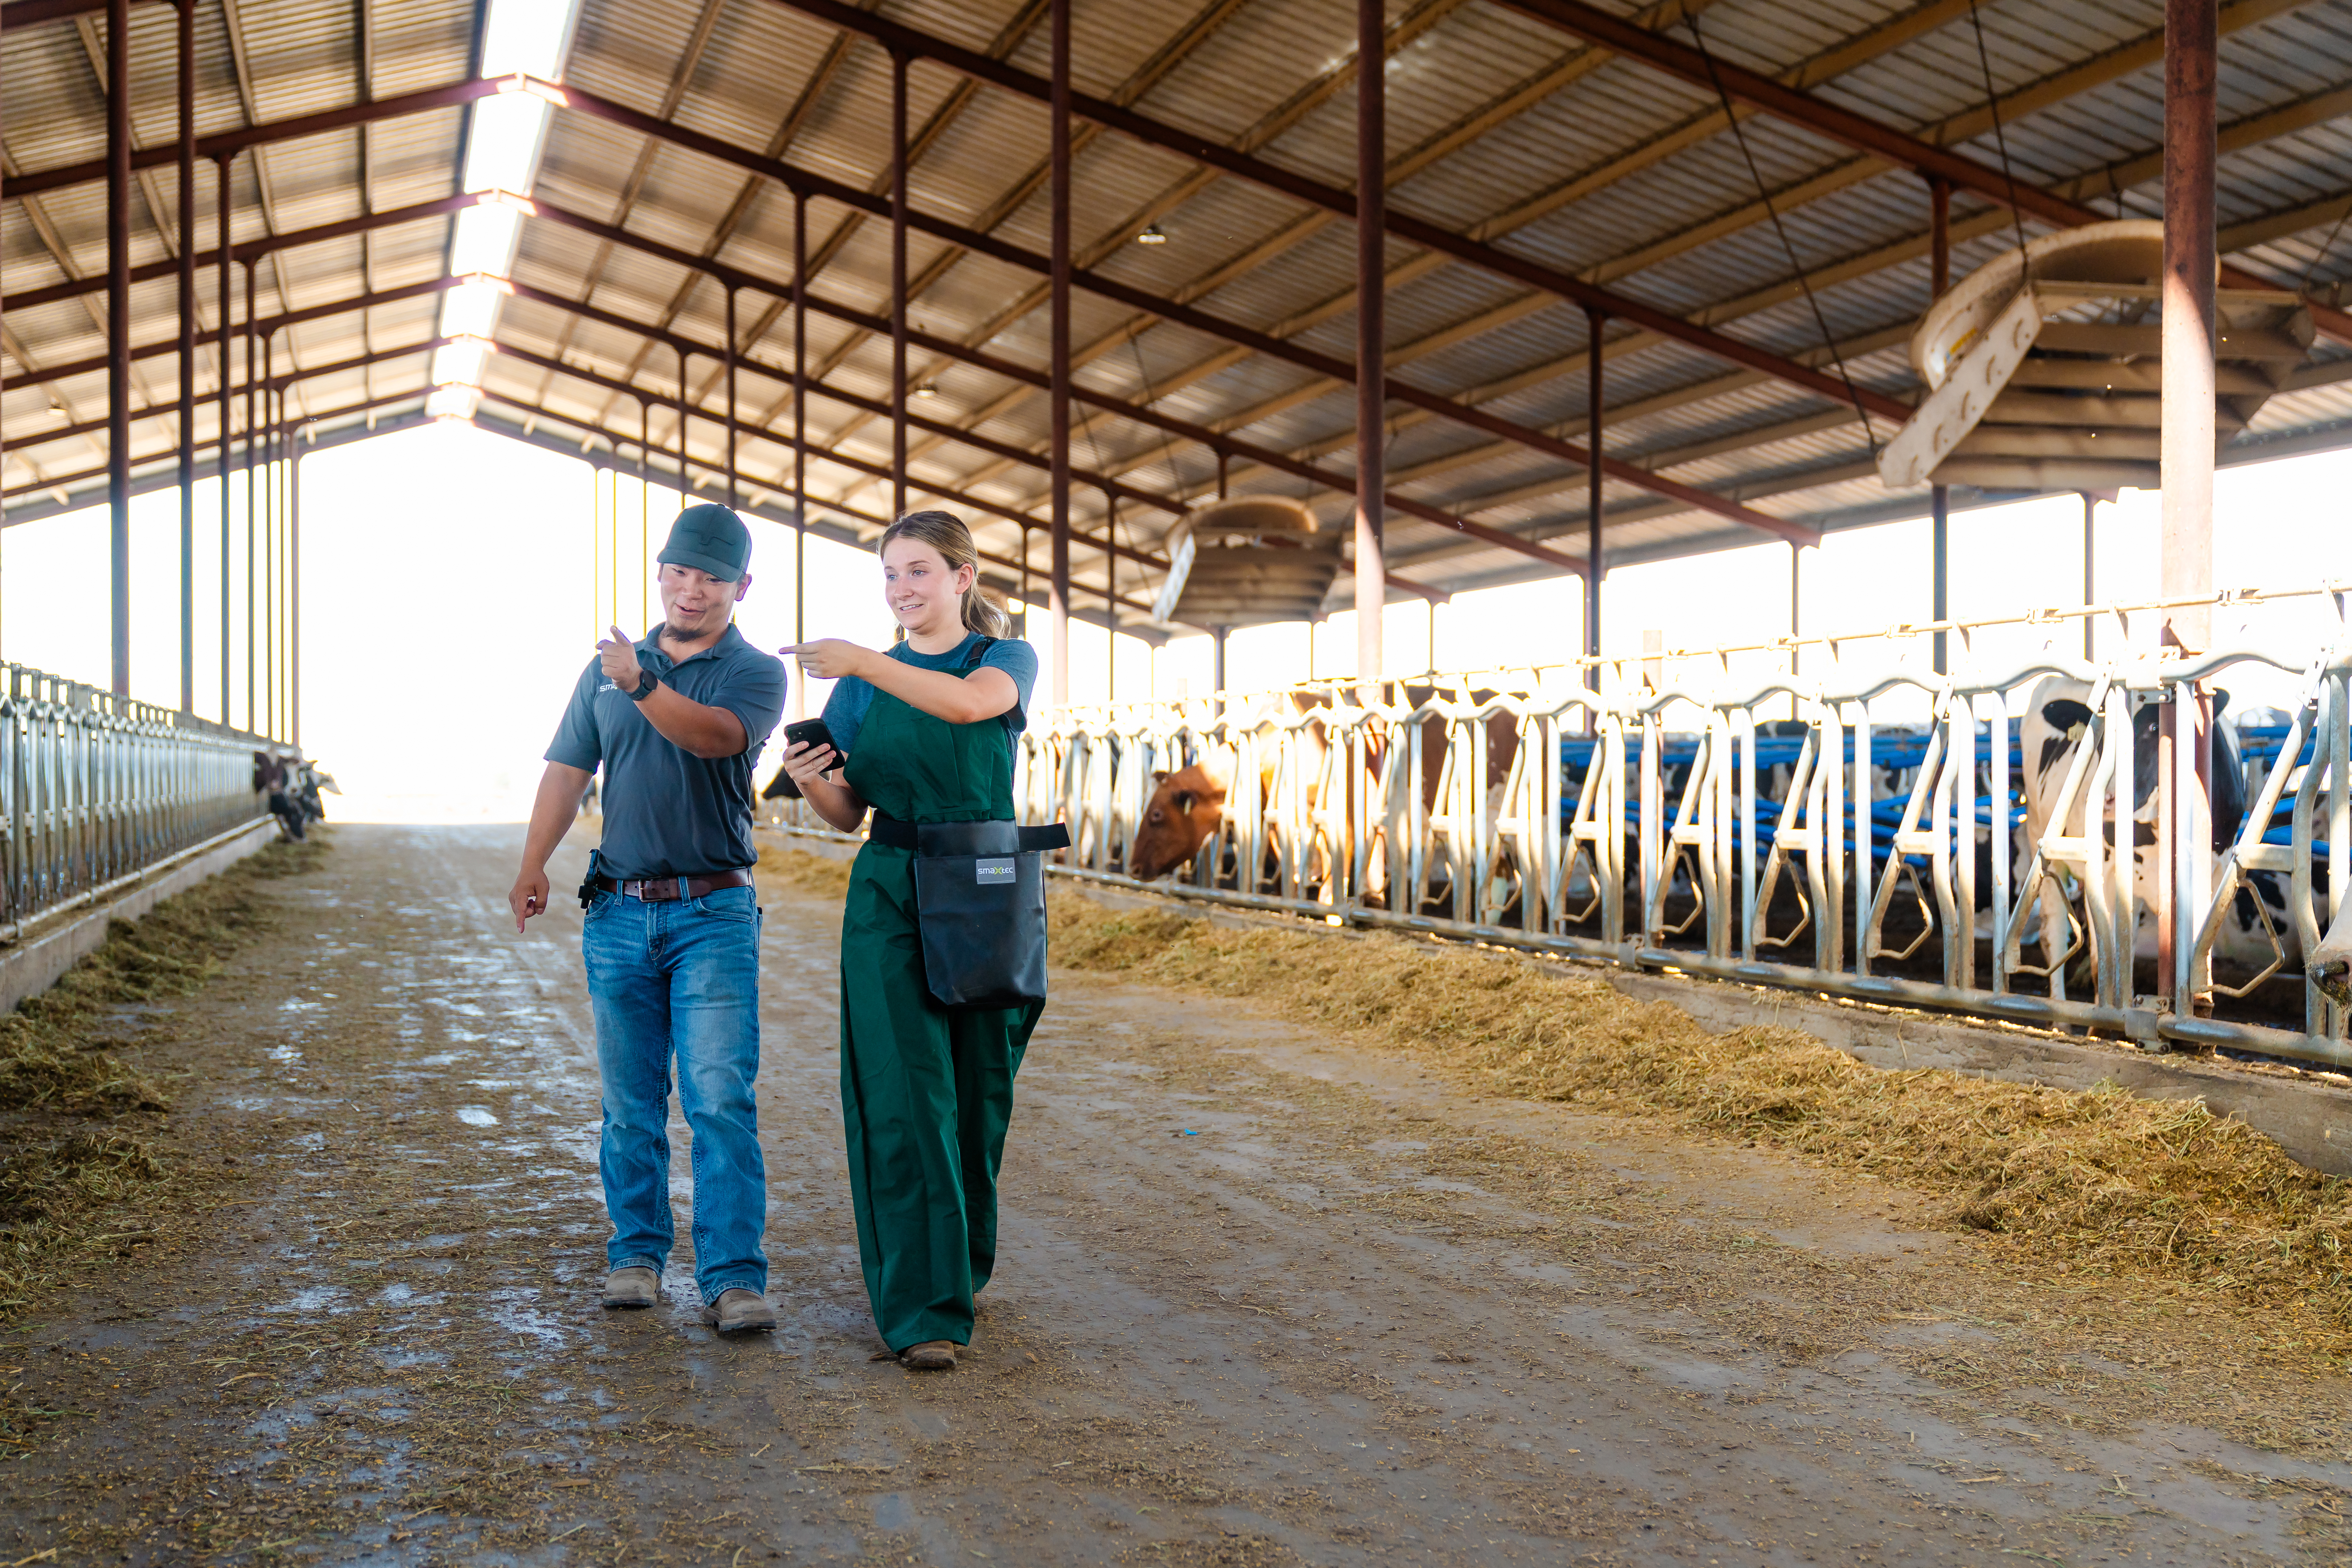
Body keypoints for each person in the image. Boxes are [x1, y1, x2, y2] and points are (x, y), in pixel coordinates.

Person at [508, 503, 788, 1335]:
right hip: (619, 910)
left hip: (713, 910)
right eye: (679, 572)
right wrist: (533, 862)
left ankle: (732, 1276)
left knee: (718, 1097)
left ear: (741, 586)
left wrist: (639, 682)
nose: (691, 590)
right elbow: (568, 770)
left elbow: (712, 737)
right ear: (660, 572)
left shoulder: (753, 672)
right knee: (630, 1100)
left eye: (711, 578)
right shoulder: (604, 670)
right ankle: (635, 1253)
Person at [779, 509, 1040, 1372]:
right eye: (890, 574)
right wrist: (814, 781)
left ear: (962, 578)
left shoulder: (1001, 659)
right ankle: (923, 1310)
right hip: (890, 889)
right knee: (901, 1090)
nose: (901, 589)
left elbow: (966, 707)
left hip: (986, 887)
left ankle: (960, 1266)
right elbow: (847, 812)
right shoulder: (858, 689)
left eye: (918, 570)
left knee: (978, 1089)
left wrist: (862, 658)